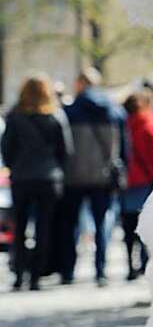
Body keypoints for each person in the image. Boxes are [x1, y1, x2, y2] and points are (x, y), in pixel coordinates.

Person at [54, 68, 127, 287]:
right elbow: (122, 146)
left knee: (71, 225)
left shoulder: (69, 111)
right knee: (102, 224)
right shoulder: (112, 111)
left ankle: (68, 271)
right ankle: (100, 271)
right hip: (102, 177)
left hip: (73, 176)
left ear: (79, 84)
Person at [1, 76, 72, 291]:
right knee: (44, 227)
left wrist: (16, 166)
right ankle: (36, 276)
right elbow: (66, 150)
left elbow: (7, 149)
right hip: (47, 178)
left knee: (20, 227)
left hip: (22, 178)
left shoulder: (15, 117)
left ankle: (19, 273)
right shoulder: (55, 116)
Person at [121, 90, 153, 280]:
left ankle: (130, 263)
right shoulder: (150, 124)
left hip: (126, 182)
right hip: (145, 182)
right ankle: (145, 262)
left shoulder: (122, 124)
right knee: (146, 226)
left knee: (128, 227)